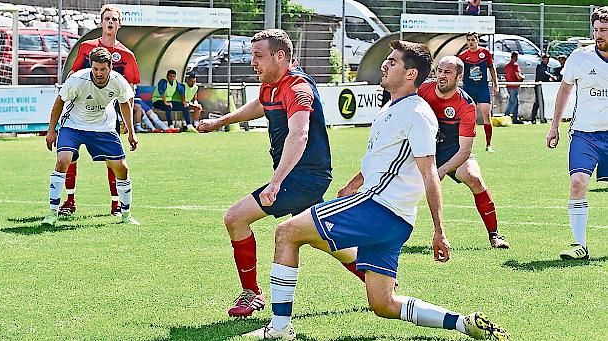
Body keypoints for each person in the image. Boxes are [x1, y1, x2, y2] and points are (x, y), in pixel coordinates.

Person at [244, 40, 510, 340]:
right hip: (393, 218)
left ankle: (279, 328)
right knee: (383, 303)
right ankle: (464, 323)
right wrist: (353, 184)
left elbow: (429, 172)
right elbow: (384, 158)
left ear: (411, 74)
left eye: (393, 62)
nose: (385, 64)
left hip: (377, 208)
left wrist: (439, 230)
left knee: (286, 233)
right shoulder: (394, 106)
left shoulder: (416, 113)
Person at [197, 29, 364, 318]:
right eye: (253, 55)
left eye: (258, 56)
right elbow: (261, 105)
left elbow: (299, 135)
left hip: (304, 178)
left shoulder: (298, 88)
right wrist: (221, 121)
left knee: (235, 218)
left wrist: (276, 182)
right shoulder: (271, 84)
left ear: (281, 56)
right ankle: (375, 274)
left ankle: (252, 293)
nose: (252, 62)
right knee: (322, 237)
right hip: (298, 177)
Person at [418, 56, 510, 249]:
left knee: (474, 178)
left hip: (452, 150)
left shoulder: (465, 105)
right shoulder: (422, 90)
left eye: (447, 72)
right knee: (397, 183)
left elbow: (464, 150)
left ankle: (494, 235)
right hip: (423, 148)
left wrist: (439, 172)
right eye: (440, 71)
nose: (441, 76)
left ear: (459, 77)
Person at [58, 4, 141, 217]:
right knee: (70, 157)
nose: (110, 22)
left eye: (114, 19)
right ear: (101, 22)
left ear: (119, 24)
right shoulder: (86, 47)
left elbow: (128, 92)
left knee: (112, 160)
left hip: (106, 115)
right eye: (107, 19)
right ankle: (69, 201)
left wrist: (128, 124)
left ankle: (116, 204)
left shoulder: (126, 55)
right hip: (78, 111)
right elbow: (73, 74)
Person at [42, 47, 139, 226]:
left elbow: (126, 103)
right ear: (91, 67)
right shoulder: (78, 80)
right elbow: (59, 102)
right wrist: (51, 130)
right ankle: (52, 214)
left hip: (103, 127)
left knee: (122, 168)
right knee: (63, 160)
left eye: (102, 69)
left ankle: (126, 215)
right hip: (73, 125)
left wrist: (131, 132)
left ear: (110, 68)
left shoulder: (118, 81)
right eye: (95, 69)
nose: (99, 73)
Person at [546, 6, 608, 260]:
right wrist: (554, 126)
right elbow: (564, 90)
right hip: (585, 134)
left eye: (604, 30)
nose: (598, 35)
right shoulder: (579, 58)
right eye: (596, 30)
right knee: (577, 183)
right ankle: (579, 244)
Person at [459, 32, 499, 152]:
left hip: (482, 88)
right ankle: (463, 145)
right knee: (465, 117)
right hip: (468, 88)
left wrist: (495, 84)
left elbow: (492, 69)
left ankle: (488, 145)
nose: (471, 42)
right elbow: (458, 71)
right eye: (469, 40)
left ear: (477, 40)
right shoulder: (463, 56)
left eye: (473, 40)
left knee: (486, 114)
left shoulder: (485, 53)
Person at [531, 54, 555, 124]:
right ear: (543, 59)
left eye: (548, 59)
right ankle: (533, 118)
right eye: (546, 59)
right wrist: (551, 76)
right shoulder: (539, 66)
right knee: (538, 102)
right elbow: (544, 73)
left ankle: (544, 117)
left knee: (545, 102)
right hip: (539, 87)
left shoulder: (548, 67)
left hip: (545, 87)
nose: (547, 60)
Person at [502, 52, 524, 124]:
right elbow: (518, 76)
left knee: (516, 102)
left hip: (509, 85)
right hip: (514, 86)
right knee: (512, 102)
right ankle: (506, 116)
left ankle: (515, 118)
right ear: (515, 57)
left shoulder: (506, 66)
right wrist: (523, 77)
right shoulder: (515, 65)